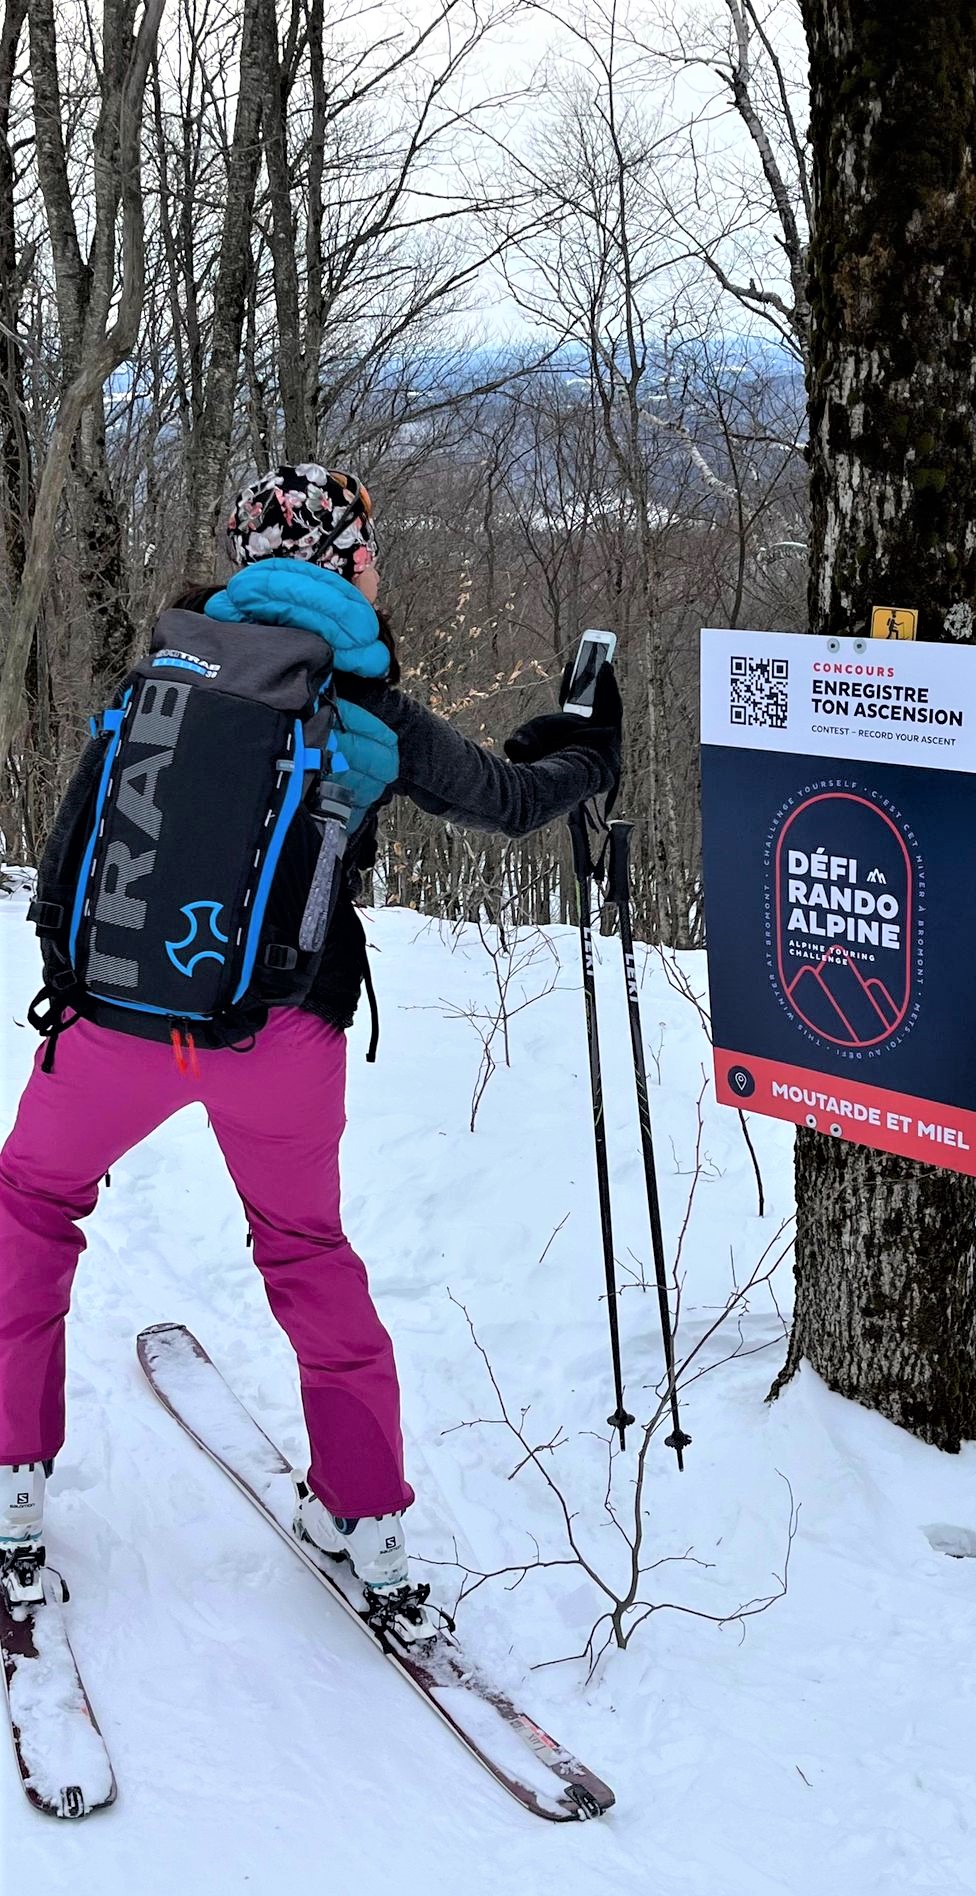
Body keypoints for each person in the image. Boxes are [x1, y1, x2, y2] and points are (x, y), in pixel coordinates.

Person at [0, 461, 621, 1639]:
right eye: (370, 549)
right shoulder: (365, 707)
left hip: (117, 1024)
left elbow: (78, 843)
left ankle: (8, 1485)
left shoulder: (166, 673)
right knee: (304, 1247)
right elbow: (508, 800)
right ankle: (366, 1518)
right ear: (344, 559)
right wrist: (586, 744)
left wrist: (74, 990)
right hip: (280, 1033)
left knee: (27, 1203)